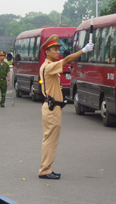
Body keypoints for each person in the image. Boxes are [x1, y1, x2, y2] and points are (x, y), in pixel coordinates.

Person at [38, 34, 93, 180]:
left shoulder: (47, 66)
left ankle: (47, 167)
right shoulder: (49, 66)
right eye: (55, 49)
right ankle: (45, 169)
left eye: (58, 49)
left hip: (52, 107)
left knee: (50, 139)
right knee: (50, 140)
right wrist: (83, 50)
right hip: (51, 108)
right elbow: (67, 60)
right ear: (47, 52)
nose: (58, 52)